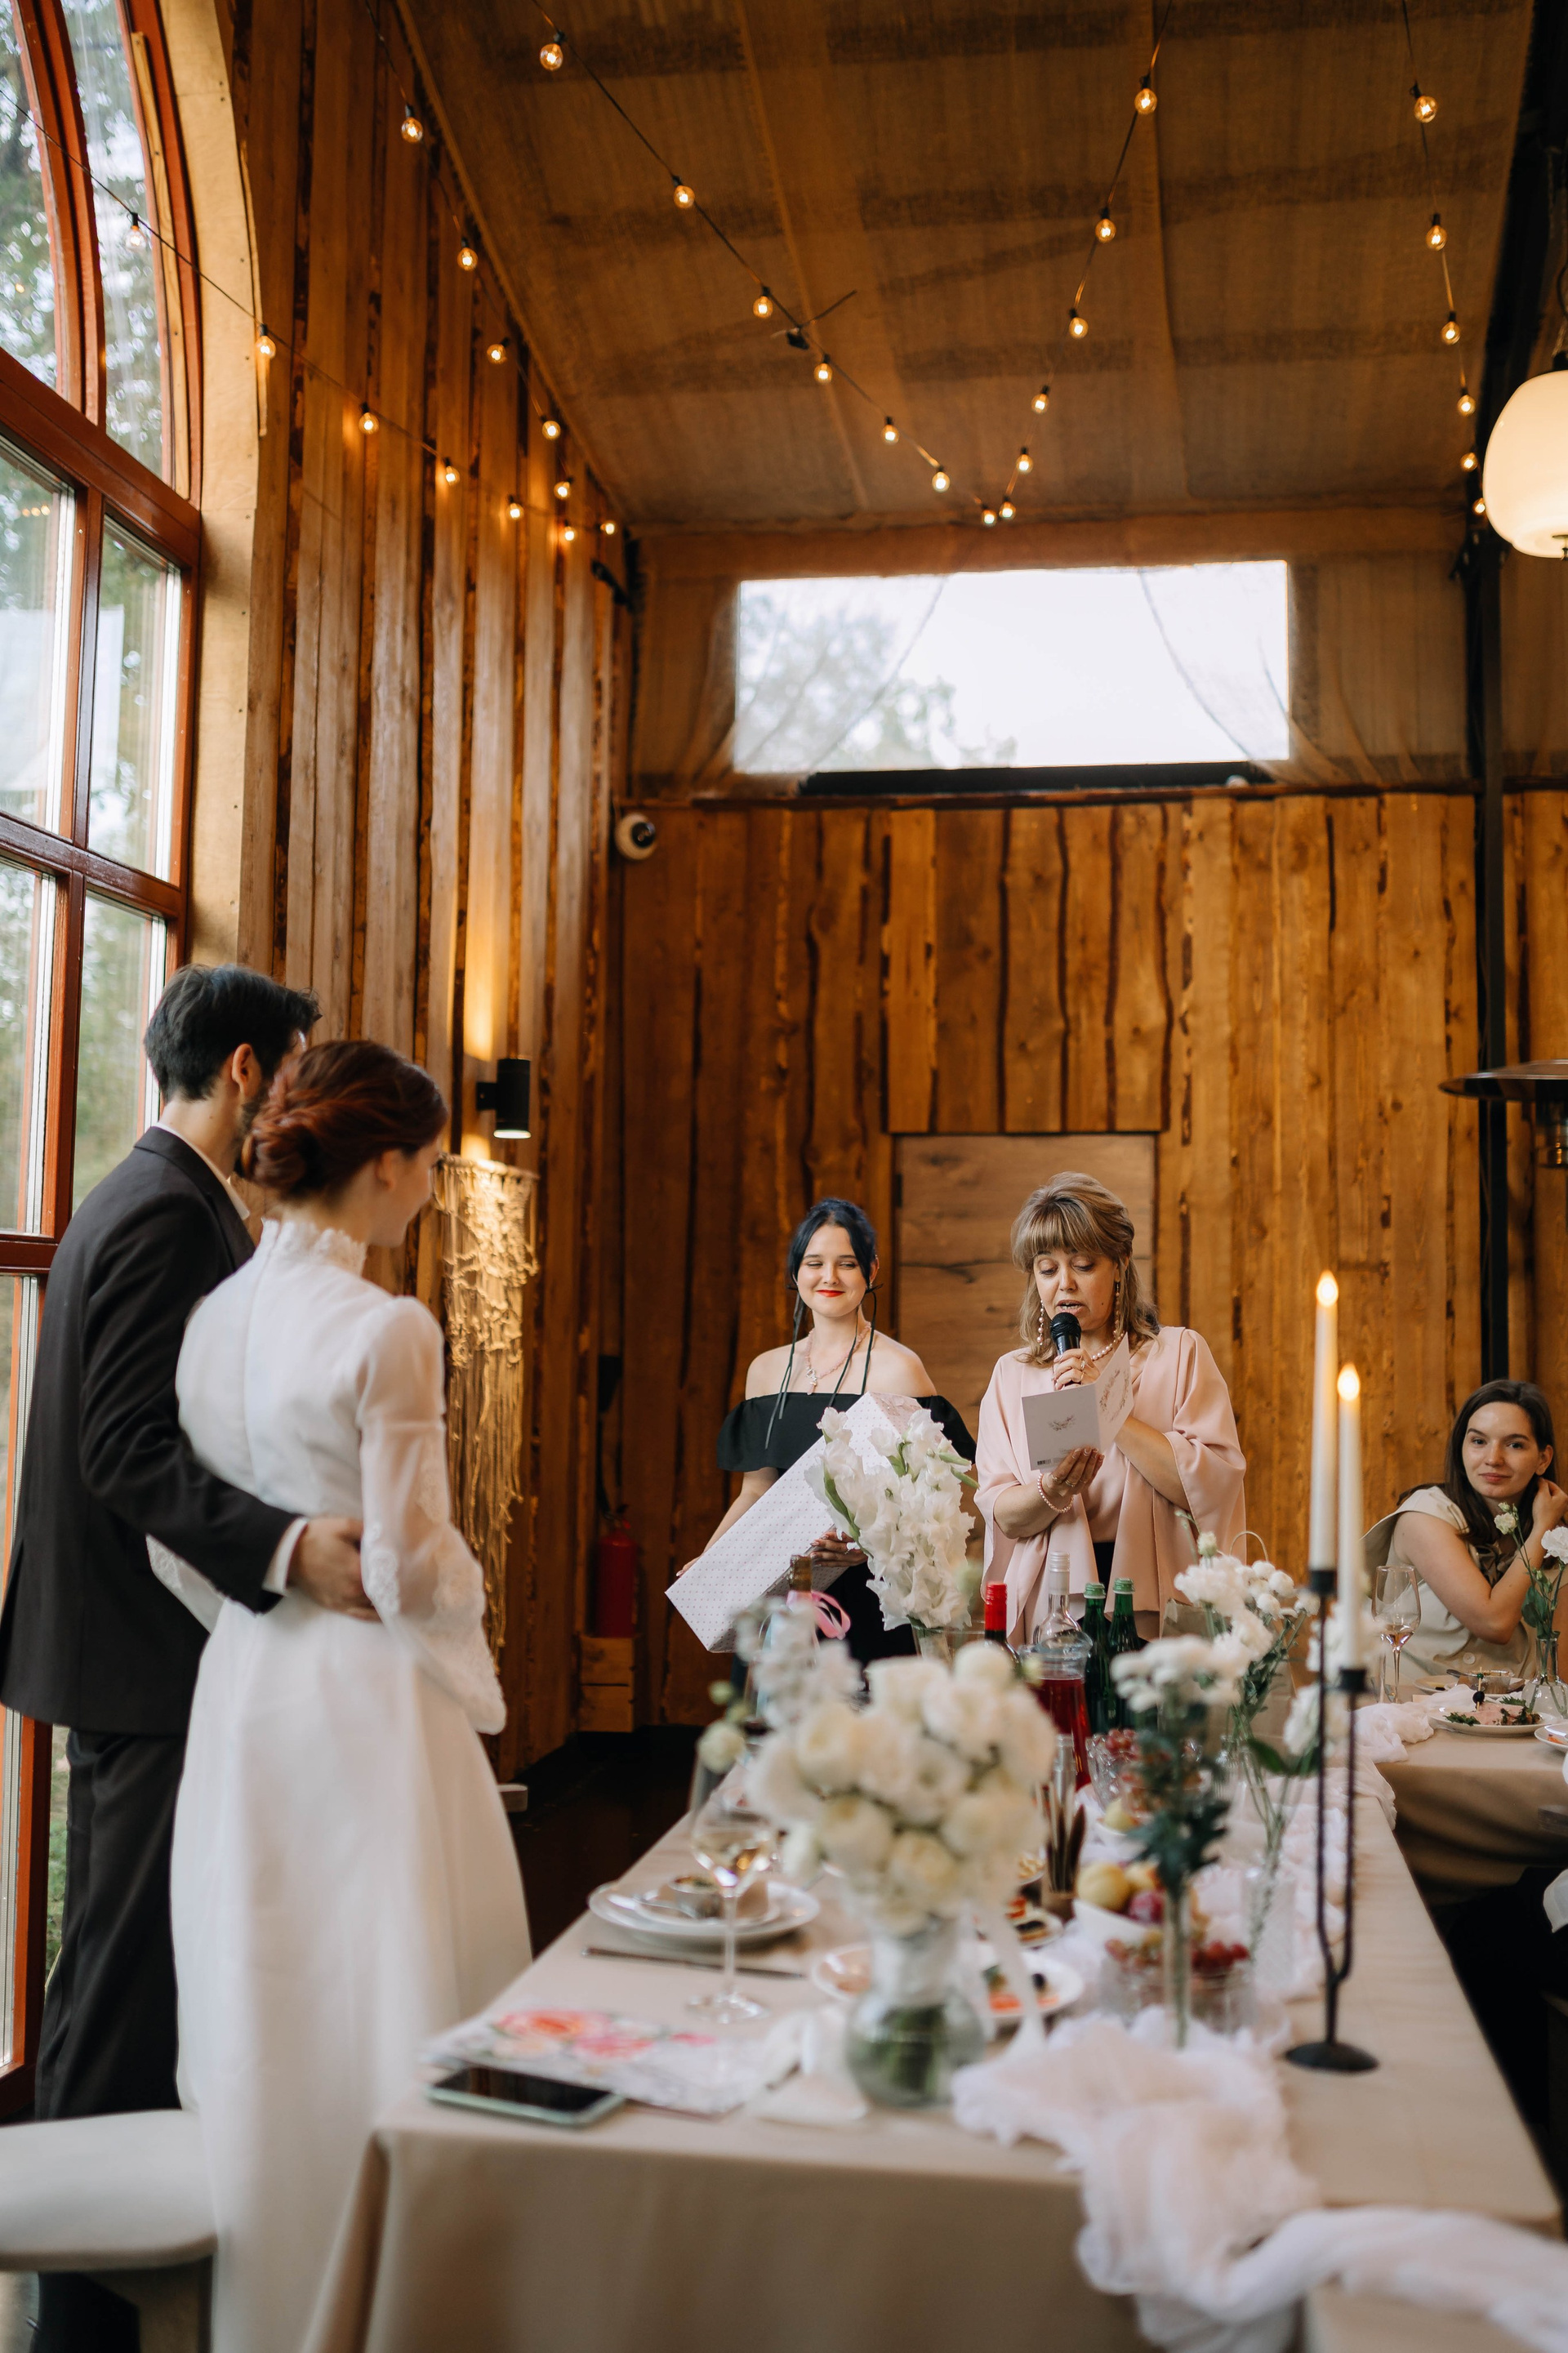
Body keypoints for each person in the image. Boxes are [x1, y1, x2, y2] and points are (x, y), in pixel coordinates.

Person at [0, 965, 367, 2353]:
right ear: (245, 1071)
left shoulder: (145, 1192)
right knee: (113, 1989)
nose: (297, 1101)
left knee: (125, 1969)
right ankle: (79, 2321)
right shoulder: (164, 1212)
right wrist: (286, 1548)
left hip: (129, 1646)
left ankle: (108, 2296)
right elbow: (124, 1450)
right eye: (294, 1069)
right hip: (139, 1654)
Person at [168, 1038, 529, 2353]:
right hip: (368, 1705)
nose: (429, 1192)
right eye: (428, 1168)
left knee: (270, 1997)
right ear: (383, 1166)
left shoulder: (213, 1320)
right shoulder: (389, 1328)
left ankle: (271, 2301)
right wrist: (468, 1587)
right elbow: (405, 1566)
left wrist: (264, 1608)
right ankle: (408, 2306)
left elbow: (182, 1546)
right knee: (389, 1993)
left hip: (246, 1681)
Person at [687, 1197, 973, 1663]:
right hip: (781, 1596)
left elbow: (934, 1502)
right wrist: (712, 1561)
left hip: (871, 1597)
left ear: (871, 1270)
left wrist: (866, 1547)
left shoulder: (900, 1369)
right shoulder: (766, 1371)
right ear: (795, 1271)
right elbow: (755, 1491)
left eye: (847, 1264)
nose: (830, 1277)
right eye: (815, 1263)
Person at [976, 1172, 1245, 1642]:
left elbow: (1209, 1486)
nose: (1065, 1285)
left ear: (1119, 1265)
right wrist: (1052, 1490)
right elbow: (1004, 1515)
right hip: (1056, 1606)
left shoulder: (1179, 1353)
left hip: (1154, 1604)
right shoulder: (1012, 1375)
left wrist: (1105, 1403)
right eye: (1047, 1269)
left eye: (1082, 1265)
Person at [1364, 1379, 1568, 1684]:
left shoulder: (1559, 1540)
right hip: (1411, 1705)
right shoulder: (1425, 1516)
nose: (1493, 1458)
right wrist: (1542, 1529)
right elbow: (1494, 1623)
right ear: (1461, 1448)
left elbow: (1559, 1672)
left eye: (1514, 1445)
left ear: (1543, 1459)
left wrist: (1545, 1529)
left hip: (1512, 1710)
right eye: (1478, 1441)